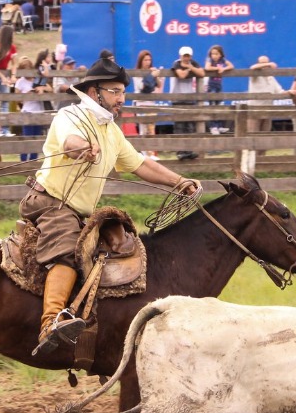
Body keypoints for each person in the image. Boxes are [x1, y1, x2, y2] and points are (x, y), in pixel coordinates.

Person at [21, 50, 199, 355]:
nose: (121, 98)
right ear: (94, 93)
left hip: (77, 209)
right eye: (115, 92)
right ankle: (50, 322)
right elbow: (69, 142)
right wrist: (82, 148)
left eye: (123, 92)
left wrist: (178, 181)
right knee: (67, 251)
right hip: (50, 202)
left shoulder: (112, 132)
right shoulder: (71, 116)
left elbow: (141, 164)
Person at [170, 45, 206, 159]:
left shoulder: (192, 63)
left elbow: (202, 73)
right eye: (185, 56)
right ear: (180, 56)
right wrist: (190, 69)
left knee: (190, 126)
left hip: (190, 99)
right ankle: (180, 152)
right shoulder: (176, 63)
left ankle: (189, 151)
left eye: (188, 56)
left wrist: (190, 67)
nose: (186, 58)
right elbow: (181, 75)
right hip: (177, 98)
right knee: (179, 126)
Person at [12, 55, 46, 161]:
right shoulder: (20, 82)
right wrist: (26, 95)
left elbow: (48, 87)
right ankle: (23, 161)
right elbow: (16, 98)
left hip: (38, 111)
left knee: (36, 137)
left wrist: (41, 88)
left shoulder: (37, 78)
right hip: (27, 111)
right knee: (27, 137)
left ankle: (33, 161)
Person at [134, 49, 162, 159]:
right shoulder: (137, 72)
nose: (148, 62)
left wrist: (155, 75)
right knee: (143, 128)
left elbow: (158, 85)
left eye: (149, 59)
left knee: (151, 128)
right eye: (145, 59)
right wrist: (151, 76)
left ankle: (151, 153)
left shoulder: (152, 71)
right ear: (141, 61)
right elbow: (141, 87)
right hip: (141, 102)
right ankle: (144, 154)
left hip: (150, 102)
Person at [246, 55, 283, 133]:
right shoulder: (255, 76)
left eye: (266, 63)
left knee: (265, 134)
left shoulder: (271, 77)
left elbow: (280, 91)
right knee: (252, 134)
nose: (265, 66)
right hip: (254, 110)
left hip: (267, 110)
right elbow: (252, 68)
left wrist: (290, 92)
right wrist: (268, 64)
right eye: (262, 63)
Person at [204, 44, 233, 134]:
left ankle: (219, 126)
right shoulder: (210, 60)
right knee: (213, 106)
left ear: (220, 54)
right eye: (213, 54)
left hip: (219, 86)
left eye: (216, 54)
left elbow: (231, 66)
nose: (214, 56)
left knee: (220, 106)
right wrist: (217, 68)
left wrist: (223, 69)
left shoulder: (222, 60)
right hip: (211, 85)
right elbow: (207, 67)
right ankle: (213, 127)